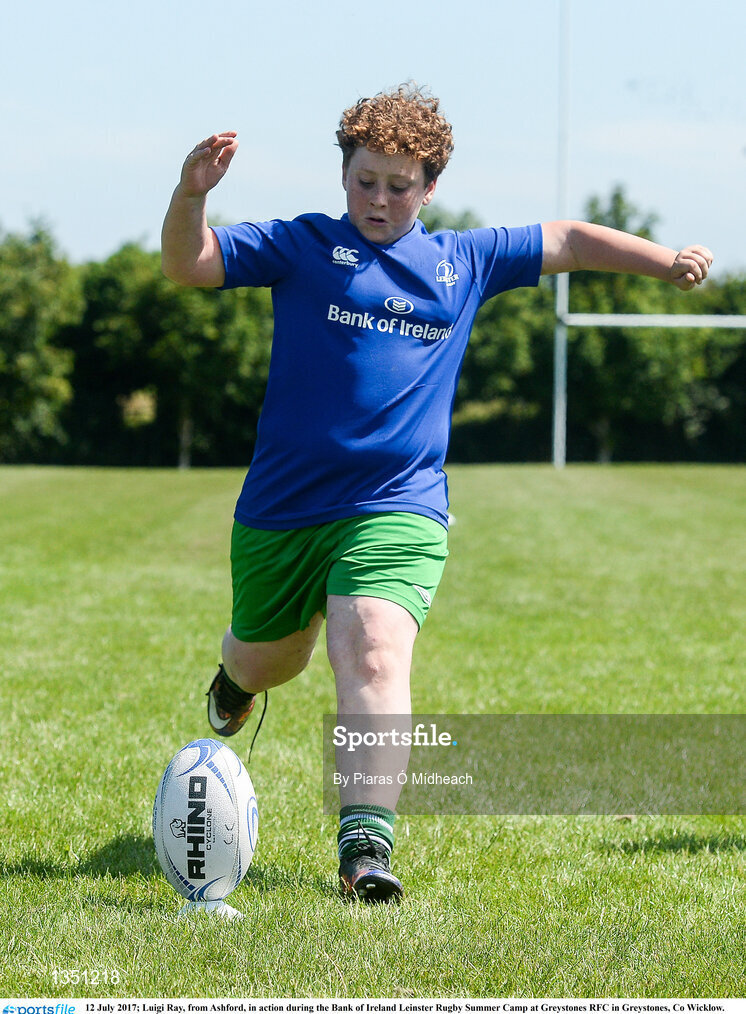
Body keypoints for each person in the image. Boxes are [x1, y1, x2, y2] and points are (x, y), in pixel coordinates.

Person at [161, 83, 712, 903]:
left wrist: (661, 260)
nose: (379, 200)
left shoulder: (464, 262)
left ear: (429, 187)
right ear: (342, 174)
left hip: (400, 504)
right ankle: (237, 680)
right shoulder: (302, 245)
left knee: (373, 647)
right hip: (282, 510)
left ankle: (365, 849)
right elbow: (187, 264)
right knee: (270, 656)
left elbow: (564, 238)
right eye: (364, 180)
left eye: (398, 185)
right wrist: (189, 196)